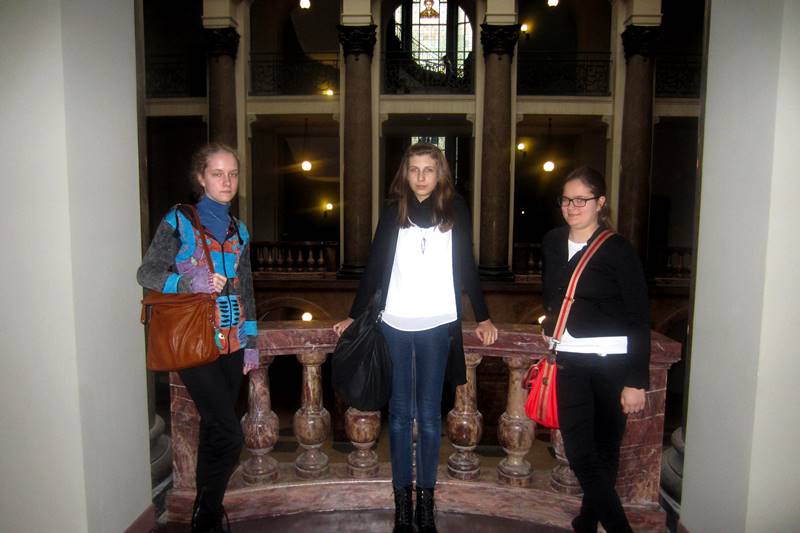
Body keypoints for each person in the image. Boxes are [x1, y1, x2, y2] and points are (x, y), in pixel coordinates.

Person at [333, 143, 498, 533]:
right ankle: (401, 506)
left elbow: (467, 265)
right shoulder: (394, 211)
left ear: (440, 174)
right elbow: (375, 265)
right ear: (404, 174)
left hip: (438, 324)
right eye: (414, 169)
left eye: (429, 169)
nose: (421, 177)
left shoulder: (456, 211)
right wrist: (353, 314)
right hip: (394, 322)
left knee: (428, 416)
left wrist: (484, 315)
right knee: (399, 415)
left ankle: (425, 502)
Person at [137, 143, 259, 533]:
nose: (227, 181)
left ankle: (204, 514)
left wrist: (252, 342)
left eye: (233, 174)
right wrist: (189, 282)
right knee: (229, 430)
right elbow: (146, 272)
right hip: (193, 337)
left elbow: (246, 288)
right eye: (218, 173)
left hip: (232, 343)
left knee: (213, 428)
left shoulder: (240, 230)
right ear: (201, 178)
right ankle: (207, 515)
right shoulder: (179, 219)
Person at [540, 166, 650, 533]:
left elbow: (639, 317)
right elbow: (552, 293)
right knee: (579, 452)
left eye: (581, 200)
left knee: (604, 450)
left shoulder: (618, 250)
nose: (572, 207)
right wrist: (550, 326)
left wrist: (636, 380)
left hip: (612, 362)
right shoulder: (553, 241)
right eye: (566, 200)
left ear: (600, 203)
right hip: (569, 358)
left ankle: (588, 521)